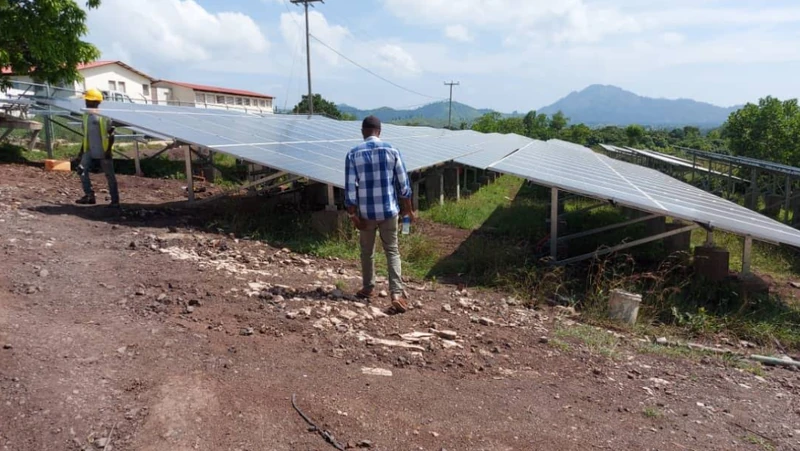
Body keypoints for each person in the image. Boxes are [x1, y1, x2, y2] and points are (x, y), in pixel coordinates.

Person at [345, 115, 416, 313]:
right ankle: (396, 294)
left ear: (362, 131)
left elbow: (350, 188)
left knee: (367, 252)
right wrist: (408, 210)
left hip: (366, 213)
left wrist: (352, 215)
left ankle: (368, 287)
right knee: (392, 250)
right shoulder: (392, 151)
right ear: (380, 131)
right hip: (389, 211)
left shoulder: (353, 154)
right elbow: (404, 185)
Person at [75, 88, 119, 207]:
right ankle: (89, 196)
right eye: (86, 100)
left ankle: (115, 201)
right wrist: (81, 152)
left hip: (103, 150)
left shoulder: (104, 116)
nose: (86, 102)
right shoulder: (86, 115)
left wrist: (108, 150)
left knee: (109, 175)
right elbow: (86, 136)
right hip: (89, 149)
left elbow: (111, 134)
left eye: (88, 100)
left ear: (95, 102)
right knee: (81, 170)